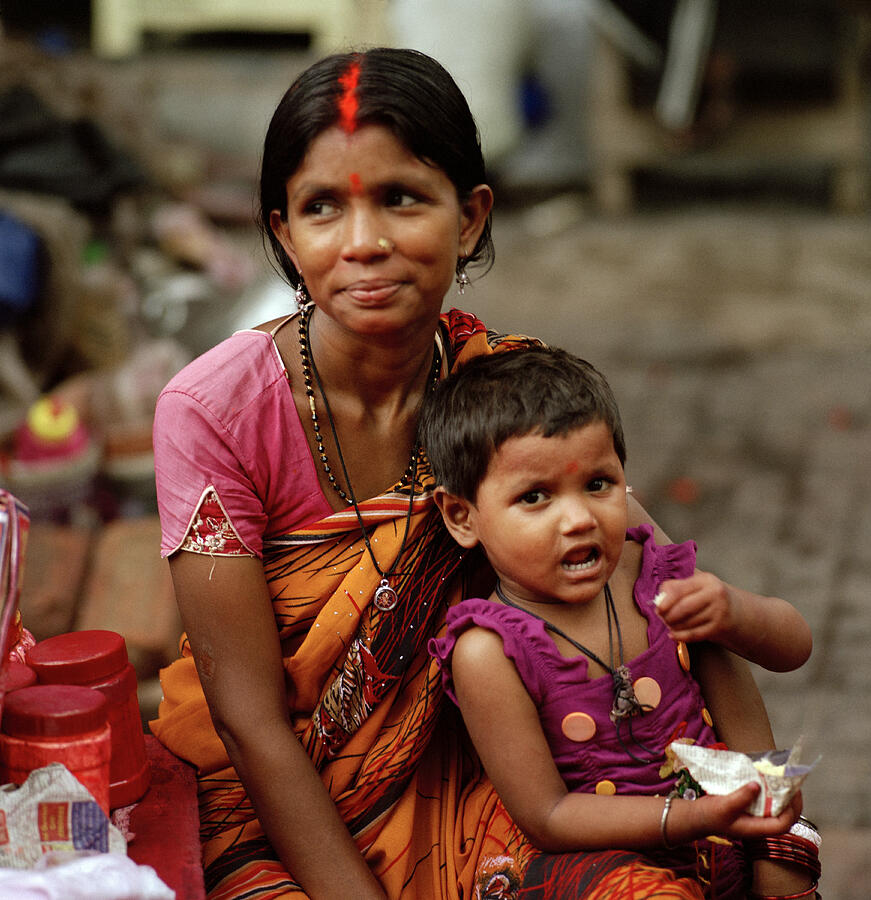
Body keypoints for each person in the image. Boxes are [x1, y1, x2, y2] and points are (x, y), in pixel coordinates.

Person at [151, 47, 811, 900]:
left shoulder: (503, 393)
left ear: (468, 218)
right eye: (322, 208)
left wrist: (776, 834)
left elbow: (671, 597)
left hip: (488, 775)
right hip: (279, 806)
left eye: (400, 199)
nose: (364, 243)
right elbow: (248, 723)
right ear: (283, 231)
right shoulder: (213, 413)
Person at [423, 346, 820, 899]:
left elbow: (794, 647)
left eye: (598, 484)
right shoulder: (489, 651)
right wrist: (693, 818)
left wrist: (732, 610)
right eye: (534, 497)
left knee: (790, 855)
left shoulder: (646, 571)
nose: (580, 518)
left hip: (733, 820)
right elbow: (549, 817)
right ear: (463, 517)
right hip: (604, 866)